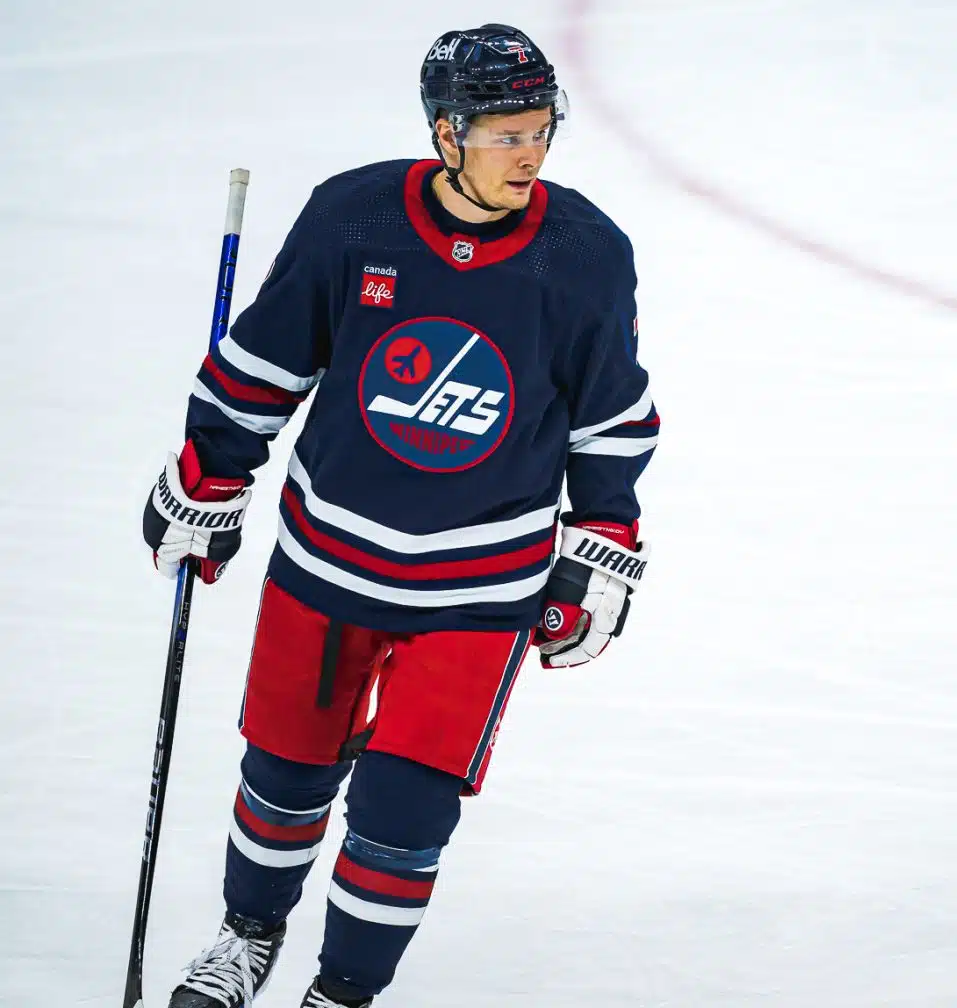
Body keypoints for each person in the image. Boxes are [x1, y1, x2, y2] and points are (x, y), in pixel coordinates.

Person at [141, 23, 658, 1008]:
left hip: (479, 588)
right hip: (326, 562)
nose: (529, 153)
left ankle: (340, 994)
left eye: (540, 129)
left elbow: (611, 417)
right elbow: (266, 362)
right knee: (283, 775)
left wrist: (604, 543)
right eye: (505, 133)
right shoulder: (355, 218)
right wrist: (209, 473)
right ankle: (246, 938)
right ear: (446, 132)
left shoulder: (584, 254)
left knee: (403, 811)